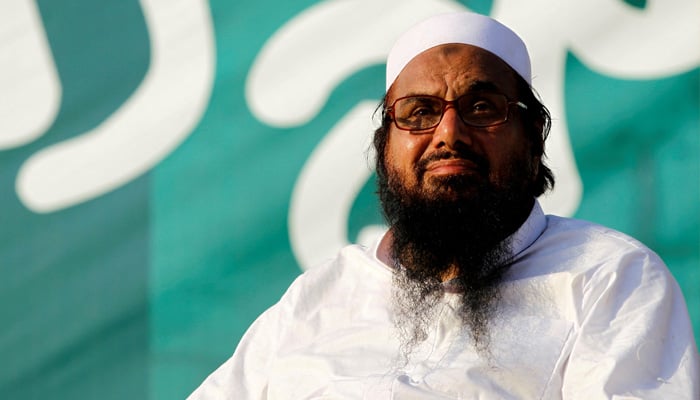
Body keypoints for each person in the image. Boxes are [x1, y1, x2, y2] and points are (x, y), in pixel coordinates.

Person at [189, 12, 699, 399]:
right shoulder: (317, 299)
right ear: (384, 145)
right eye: (419, 112)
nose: (449, 134)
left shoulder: (609, 278)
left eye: (482, 108)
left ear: (534, 136)